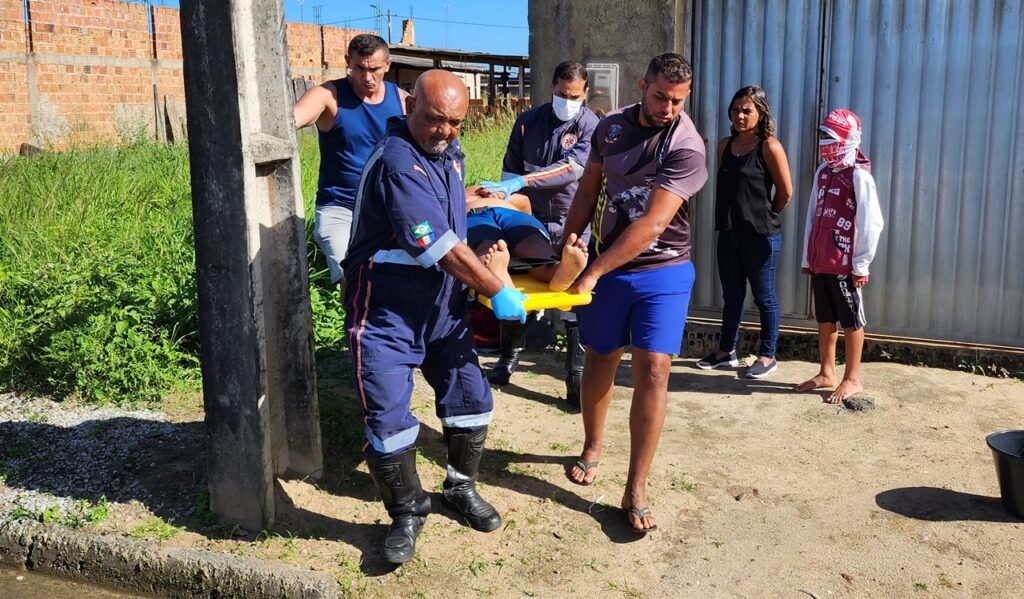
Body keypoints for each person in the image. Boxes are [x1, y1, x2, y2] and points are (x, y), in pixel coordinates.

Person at [341, 70, 528, 565]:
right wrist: (496, 289)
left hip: (442, 308)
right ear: (409, 109)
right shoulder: (397, 161)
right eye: (435, 120)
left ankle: (459, 489)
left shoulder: (448, 154)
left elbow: (448, 213)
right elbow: (435, 241)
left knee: (471, 398)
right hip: (385, 310)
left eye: (456, 123)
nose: (445, 131)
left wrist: (481, 201)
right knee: (387, 419)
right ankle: (407, 511)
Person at [560, 53, 709, 533]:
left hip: (662, 270)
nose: (668, 107)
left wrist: (592, 272)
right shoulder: (612, 128)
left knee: (654, 370)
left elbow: (654, 224)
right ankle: (592, 445)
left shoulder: (687, 145)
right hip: (606, 268)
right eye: (661, 96)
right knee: (600, 356)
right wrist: (569, 240)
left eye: (678, 100)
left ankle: (636, 485)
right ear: (643, 85)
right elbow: (588, 187)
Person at [478, 61, 601, 406]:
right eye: (562, 94)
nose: (567, 100)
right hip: (529, 221)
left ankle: (575, 378)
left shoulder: (591, 125)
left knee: (572, 295)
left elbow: (571, 169)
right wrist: (506, 196)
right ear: (551, 88)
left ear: (585, 93)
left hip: (572, 221)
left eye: (574, 95)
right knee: (516, 285)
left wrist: (522, 181)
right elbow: (509, 173)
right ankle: (507, 360)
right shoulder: (528, 122)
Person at [293, 34, 408, 290]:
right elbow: (293, 119)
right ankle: (355, 328)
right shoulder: (329, 96)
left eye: (375, 69)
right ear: (348, 62)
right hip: (340, 207)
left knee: (403, 276)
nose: (367, 77)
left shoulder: (401, 101)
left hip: (389, 206)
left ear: (388, 65)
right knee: (353, 277)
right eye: (359, 68)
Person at [697, 86, 793, 378]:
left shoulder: (769, 146)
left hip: (760, 237)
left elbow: (785, 192)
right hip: (729, 234)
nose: (740, 115)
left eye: (747, 110)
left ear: (761, 113)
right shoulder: (726, 146)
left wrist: (763, 216)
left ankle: (767, 355)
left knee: (764, 297)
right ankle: (726, 351)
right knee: (733, 295)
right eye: (736, 109)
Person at [795, 108, 883, 404]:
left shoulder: (858, 176)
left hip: (846, 265)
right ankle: (826, 372)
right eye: (822, 137)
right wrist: (809, 258)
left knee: (851, 321)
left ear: (848, 140)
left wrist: (860, 264)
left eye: (830, 137)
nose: (824, 143)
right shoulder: (822, 173)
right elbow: (812, 216)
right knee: (825, 318)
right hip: (822, 262)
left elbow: (872, 223)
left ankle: (852, 378)